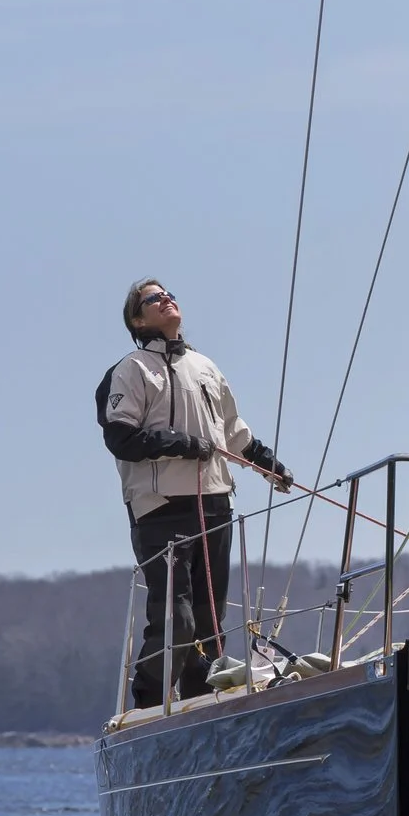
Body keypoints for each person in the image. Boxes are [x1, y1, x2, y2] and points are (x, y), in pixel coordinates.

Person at [96, 279, 291, 707]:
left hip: (216, 504)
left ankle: (202, 708)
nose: (166, 299)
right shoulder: (129, 370)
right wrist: (183, 445)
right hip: (161, 510)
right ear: (137, 318)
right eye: (153, 298)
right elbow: (121, 438)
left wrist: (269, 465)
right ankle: (148, 705)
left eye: (169, 294)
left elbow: (235, 434)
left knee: (210, 624)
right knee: (175, 622)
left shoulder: (205, 367)